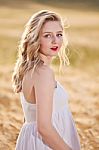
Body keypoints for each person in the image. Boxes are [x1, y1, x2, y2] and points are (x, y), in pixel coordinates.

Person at [12, 10, 81, 150]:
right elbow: (44, 128)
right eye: (47, 35)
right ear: (35, 38)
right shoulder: (43, 73)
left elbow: (29, 117)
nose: (55, 41)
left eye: (59, 34)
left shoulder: (31, 69)